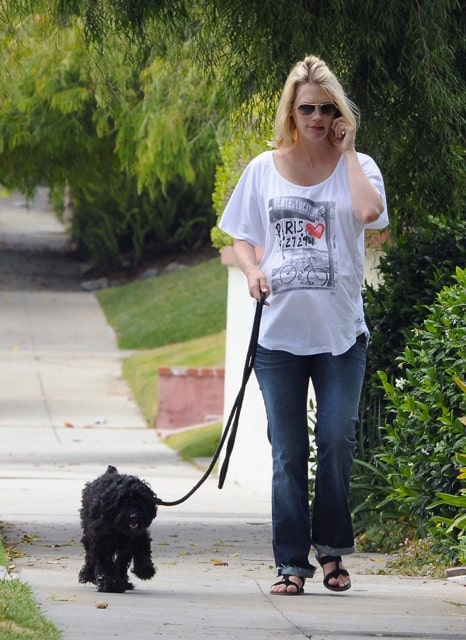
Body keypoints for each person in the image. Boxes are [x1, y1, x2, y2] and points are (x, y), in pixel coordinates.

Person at [219, 54, 389, 595]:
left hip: (341, 337)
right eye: (307, 107)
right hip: (279, 338)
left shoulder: (358, 167)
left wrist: (350, 150)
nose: (317, 117)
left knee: (336, 442)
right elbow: (241, 236)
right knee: (288, 453)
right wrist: (250, 270)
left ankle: (333, 552)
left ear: (340, 112)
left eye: (327, 108)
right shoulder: (262, 169)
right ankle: (290, 563)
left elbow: (369, 216)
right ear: (291, 112)